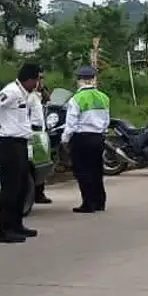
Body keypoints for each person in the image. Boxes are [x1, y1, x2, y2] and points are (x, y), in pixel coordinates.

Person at [0, 63, 44, 243]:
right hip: (9, 144)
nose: (38, 83)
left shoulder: (25, 95)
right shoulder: (12, 91)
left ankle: (17, 224)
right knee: (10, 188)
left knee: (22, 187)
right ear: (29, 79)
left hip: (21, 144)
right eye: (37, 79)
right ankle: (5, 230)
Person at [61, 65, 111, 214]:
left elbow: (71, 123)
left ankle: (88, 203)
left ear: (79, 80)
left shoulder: (76, 99)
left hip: (82, 138)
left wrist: (65, 139)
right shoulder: (104, 97)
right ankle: (99, 202)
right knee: (96, 170)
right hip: (98, 137)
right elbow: (107, 120)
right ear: (94, 79)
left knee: (83, 171)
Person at [28, 78, 52, 205]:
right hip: (32, 131)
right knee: (35, 162)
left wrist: (42, 89)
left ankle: (40, 192)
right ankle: (36, 193)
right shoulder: (29, 97)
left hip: (41, 131)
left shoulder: (38, 95)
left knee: (42, 161)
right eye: (38, 80)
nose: (40, 82)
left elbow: (48, 99)